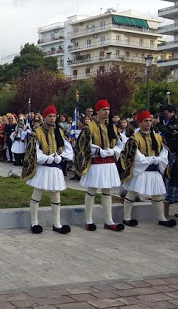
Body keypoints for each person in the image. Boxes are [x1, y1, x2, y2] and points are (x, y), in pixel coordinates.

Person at [75, 99, 126, 232]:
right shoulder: (89, 127)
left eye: (108, 110)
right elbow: (83, 145)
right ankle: (89, 220)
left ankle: (109, 220)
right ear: (97, 111)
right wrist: (98, 151)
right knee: (91, 191)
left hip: (108, 163)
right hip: (96, 163)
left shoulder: (112, 127)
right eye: (104, 110)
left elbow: (119, 143)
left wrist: (113, 151)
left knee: (107, 192)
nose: (106, 112)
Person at [22, 105, 74, 234]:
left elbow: (68, 148)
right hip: (43, 167)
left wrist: (61, 158)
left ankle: (57, 223)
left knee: (56, 196)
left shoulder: (59, 132)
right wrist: (47, 158)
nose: (52, 118)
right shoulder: (37, 132)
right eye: (49, 116)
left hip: (55, 168)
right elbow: (34, 151)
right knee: (37, 194)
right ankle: (34, 222)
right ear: (44, 117)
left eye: (54, 116)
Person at [120, 111, 176, 228]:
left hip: (154, 170)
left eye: (150, 121)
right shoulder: (134, 138)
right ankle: (126, 218)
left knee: (157, 196)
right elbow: (136, 156)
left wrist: (157, 160)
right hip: (140, 170)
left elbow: (164, 152)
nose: (149, 123)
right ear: (139, 123)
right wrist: (153, 160)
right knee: (131, 194)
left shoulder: (158, 137)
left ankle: (162, 218)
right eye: (146, 121)